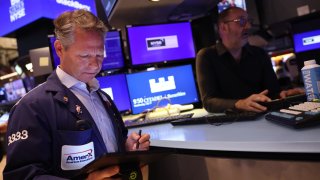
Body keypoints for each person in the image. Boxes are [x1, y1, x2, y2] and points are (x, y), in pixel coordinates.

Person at [4, 9, 150, 179]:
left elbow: (107, 149)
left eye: (99, 55)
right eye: (85, 55)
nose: (95, 65)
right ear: (59, 49)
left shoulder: (102, 97)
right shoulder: (32, 107)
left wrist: (127, 147)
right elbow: (21, 176)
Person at [196, 7, 304, 113]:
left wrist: (284, 95)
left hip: (263, 119)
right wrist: (239, 104)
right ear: (224, 27)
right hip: (227, 124)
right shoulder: (206, 56)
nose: (248, 26)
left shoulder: (260, 54)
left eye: (248, 21)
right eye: (241, 21)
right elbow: (208, 102)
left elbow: (273, 93)